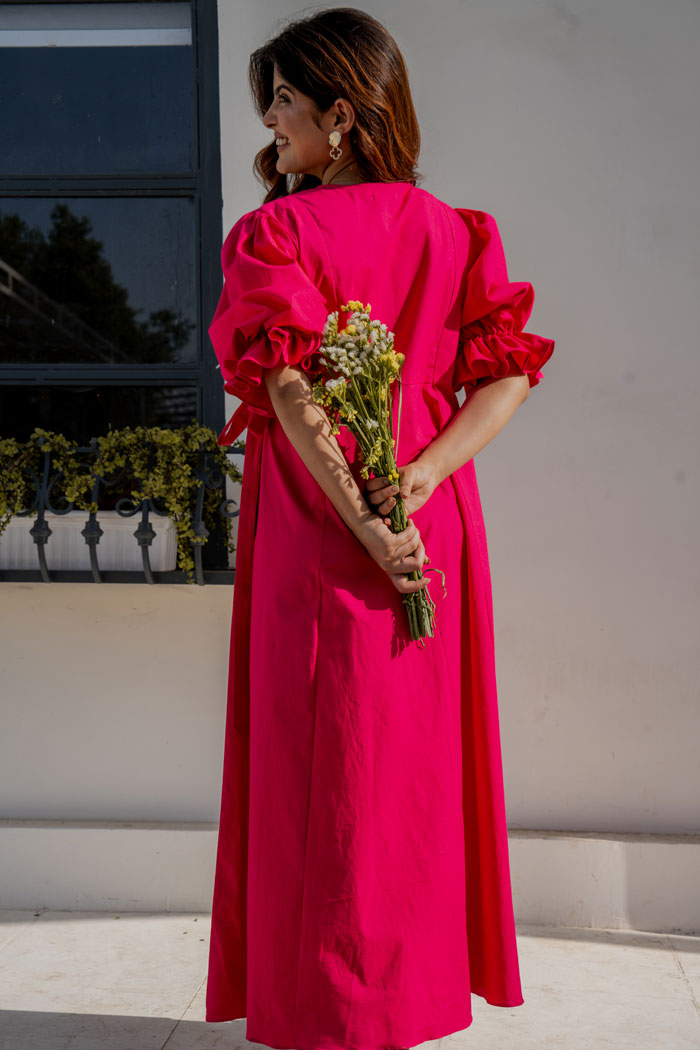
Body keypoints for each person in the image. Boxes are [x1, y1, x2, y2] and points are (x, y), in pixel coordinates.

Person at [206, 7, 555, 1049]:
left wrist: (365, 520)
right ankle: (398, 1005)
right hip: (427, 521)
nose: (269, 127)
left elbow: (289, 388)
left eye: (282, 104)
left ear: (343, 117)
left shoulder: (277, 233)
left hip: (322, 530)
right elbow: (505, 380)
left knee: (322, 771)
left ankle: (329, 1012)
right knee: (401, 777)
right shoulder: (455, 231)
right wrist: (418, 485)